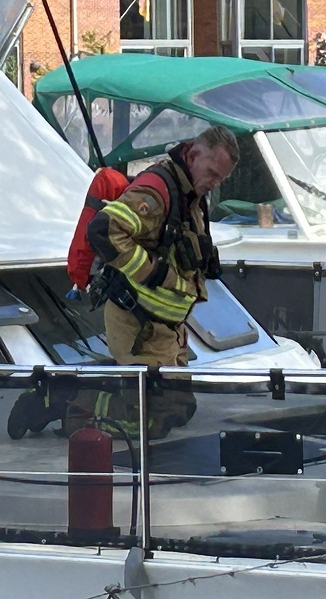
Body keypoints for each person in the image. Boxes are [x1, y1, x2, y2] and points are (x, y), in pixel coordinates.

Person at [80, 125, 239, 439]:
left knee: (180, 410)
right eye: (212, 173)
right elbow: (103, 230)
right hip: (138, 321)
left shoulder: (190, 193)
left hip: (168, 328)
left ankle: (110, 391)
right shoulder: (156, 190)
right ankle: (61, 400)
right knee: (150, 423)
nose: (214, 183)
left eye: (221, 178)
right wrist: (151, 272)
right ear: (192, 155)